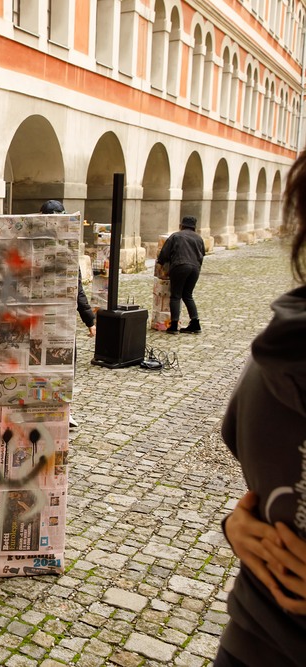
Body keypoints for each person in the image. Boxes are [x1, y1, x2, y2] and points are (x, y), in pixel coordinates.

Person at [211, 151, 306, 666]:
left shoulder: (278, 346)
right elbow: (268, 494)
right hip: (259, 631)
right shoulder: (280, 350)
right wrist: (240, 526)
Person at [40, 200, 94, 428]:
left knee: (64, 366)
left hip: (62, 319)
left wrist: (89, 320)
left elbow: (77, 288)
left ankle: (64, 410)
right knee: (41, 366)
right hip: (38, 318)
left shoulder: (68, 251)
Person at [157, 215, 205, 334]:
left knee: (176, 295)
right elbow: (202, 255)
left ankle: (173, 325)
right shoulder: (199, 238)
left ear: (181, 225)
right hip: (195, 269)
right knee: (188, 295)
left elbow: (164, 253)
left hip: (180, 266)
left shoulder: (176, 236)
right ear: (194, 227)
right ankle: (195, 323)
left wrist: (160, 264)